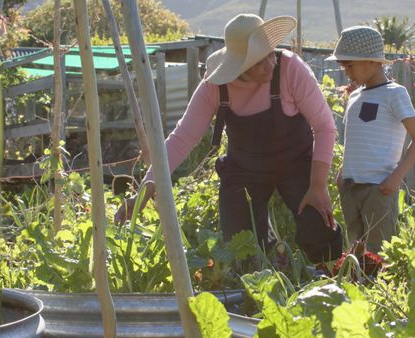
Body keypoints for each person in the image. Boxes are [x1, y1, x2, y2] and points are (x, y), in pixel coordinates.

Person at [115, 13, 343, 263]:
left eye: (270, 53)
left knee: (319, 228)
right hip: (245, 170)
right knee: (243, 246)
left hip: (297, 164)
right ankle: (261, 285)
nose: (270, 63)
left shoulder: (290, 68)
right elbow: (181, 139)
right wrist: (145, 192)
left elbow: (324, 127)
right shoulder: (215, 86)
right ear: (239, 66)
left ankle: (329, 276)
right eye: (259, 61)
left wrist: (318, 186)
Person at [326, 26, 415, 253]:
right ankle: (359, 287)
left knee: (379, 254)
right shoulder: (354, 96)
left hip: (378, 188)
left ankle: (380, 289)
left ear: (372, 61)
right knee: (356, 253)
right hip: (351, 188)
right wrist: (343, 173)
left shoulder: (394, 93)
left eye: (350, 65)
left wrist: (395, 178)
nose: (346, 71)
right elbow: (356, 140)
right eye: (344, 66)